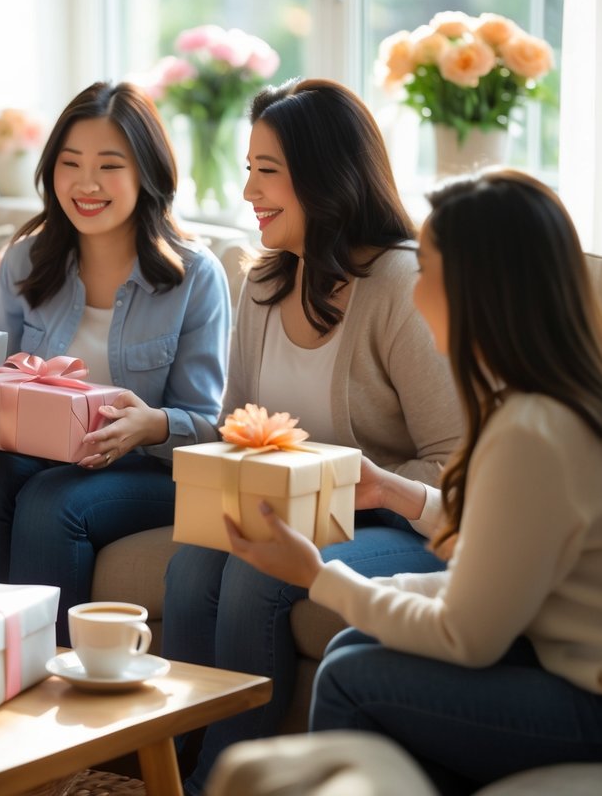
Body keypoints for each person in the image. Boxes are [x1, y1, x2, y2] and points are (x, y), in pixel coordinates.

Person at [226, 168, 602, 793]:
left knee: (349, 676)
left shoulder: (532, 431)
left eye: (426, 270)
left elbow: (466, 636)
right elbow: (492, 567)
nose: (413, 288)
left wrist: (318, 576)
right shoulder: (549, 399)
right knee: (353, 648)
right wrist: (391, 496)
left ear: (475, 287)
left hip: (585, 703)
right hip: (557, 662)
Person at [161, 78, 463, 791]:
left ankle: (228, 782)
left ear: (325, 178)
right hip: (288, 510)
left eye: (266, 172)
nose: (247, 193)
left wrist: (358, 488)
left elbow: (453, 462)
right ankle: (168, 765)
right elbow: (235, 424)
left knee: (253, 575)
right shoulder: (263, 282)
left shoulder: (396, 285)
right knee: (192, 562)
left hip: (394, 518)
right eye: (248, 171)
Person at [0, 81, 231, 642]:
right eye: (70, 163)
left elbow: (207, 421)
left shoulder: (195, 275)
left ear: (146, 172)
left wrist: (152, 425)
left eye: (109, 165)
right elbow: (0, 376)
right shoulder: (27, 259)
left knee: (53, 502)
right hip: (43, 456)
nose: (86, 183)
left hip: (151, 470)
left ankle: (52, 683)